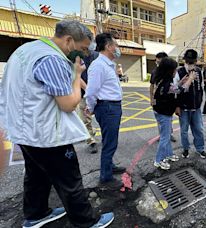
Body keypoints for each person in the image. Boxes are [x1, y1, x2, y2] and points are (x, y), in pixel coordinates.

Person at [0, 20, 114, 228]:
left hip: (24, 129)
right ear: (69, 40)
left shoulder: (27, 49)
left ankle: (36, 214)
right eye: (81, 48)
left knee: (36, 175)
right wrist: (77, 74)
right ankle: (87, 222)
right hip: (46, 134)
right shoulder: (51, 59)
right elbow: (69, 104)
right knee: (70, 180)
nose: (82, 53)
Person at [85, 33, 125, 187]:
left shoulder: (108, 64)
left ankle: (110, 167)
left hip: (112, 106)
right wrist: (91, 107)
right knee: (109, 143)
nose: (117, 49)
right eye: (115, 45)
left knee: (110, 141)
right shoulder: (98, 65)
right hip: (107, 107)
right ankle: (106, 177)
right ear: (108, 46)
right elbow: (91, 91)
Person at [152, 57, 197, 169]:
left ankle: (169, 154)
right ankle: (159, 160)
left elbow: (174, 88)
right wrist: (190, 79)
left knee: (165, 135)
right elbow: (180, 90)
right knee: (165, 137)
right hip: (164, 114)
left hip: (161, 111)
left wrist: (182, 81)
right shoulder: (166, 84)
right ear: (169, 70)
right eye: (174, 70)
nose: (176, 72)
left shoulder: (162, 80)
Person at [176, 49, 206, 159]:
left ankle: (200, 149)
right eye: (188, 62)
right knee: (184, 131)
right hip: (184, 108)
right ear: (185, 61)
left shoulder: (199, 71)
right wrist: (177, 106)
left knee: (198, 129)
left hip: (196, 107)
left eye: (192, 62)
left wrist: (200, 102)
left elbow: (201, 88)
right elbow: (175, 91)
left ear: (195, 62)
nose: (190, 65)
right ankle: (185, 149)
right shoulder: (179, 72)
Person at [150, 52, 176, 142]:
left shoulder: (169, 73)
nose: (158, 64)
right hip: (159, 101)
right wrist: (151, 98)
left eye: (159, 62)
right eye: (157, 62)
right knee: (161, 120)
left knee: (168, 119)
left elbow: (174, 87)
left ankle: (169, 134)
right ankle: (163, 135)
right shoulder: (155, 72)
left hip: (167, 102)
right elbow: (152, 85)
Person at [78, 46, 99, 154]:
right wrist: (88, 91)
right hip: (83, 93)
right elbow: (76, 76)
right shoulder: (76, 56)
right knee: (85, 119)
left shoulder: (96, 55)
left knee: (101, 116)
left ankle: (101, 134)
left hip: (98, 93)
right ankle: (91, 141)